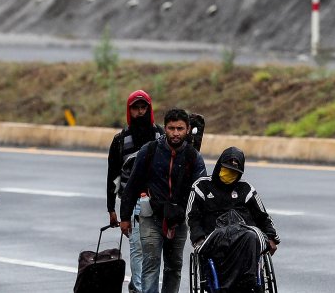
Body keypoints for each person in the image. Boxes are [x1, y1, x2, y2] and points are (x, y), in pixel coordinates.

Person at [120, 107, 207, 293]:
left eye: (180, 129)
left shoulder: (194, 157)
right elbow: (132, 185)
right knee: (151, 265)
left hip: (179, 220)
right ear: (165, 128)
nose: (175, 133)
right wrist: (125, 217)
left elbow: (201, 193)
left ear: (187, 129)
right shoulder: (149, 151)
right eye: (171, 128)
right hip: (151, 217)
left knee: (174, 267)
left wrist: (201, 224)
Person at [186, 147, 279, 293]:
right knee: (234, 235)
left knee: (251, 235)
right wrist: (198, 240)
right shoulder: (202, 186)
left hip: (245, 235)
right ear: (219, 166)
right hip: (215, 237)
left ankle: (248, 280)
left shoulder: (246, 189)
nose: (229, 174)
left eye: (234, 171)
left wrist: (272, 237)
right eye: (227, 168)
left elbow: (262, 216)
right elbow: (193, 217)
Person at [107, 90, 165, 293]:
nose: (140, 112)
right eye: (135, 108)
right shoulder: (121, 140)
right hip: (130, 202)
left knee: (154, 250)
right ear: (129, 110)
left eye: (143, 108)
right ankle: (140, 288)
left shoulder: (161, 136)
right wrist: (111, 209)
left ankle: (140, 286)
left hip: (157, 201)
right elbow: (112, 176)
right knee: (138, 249)